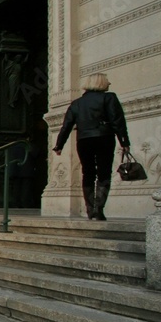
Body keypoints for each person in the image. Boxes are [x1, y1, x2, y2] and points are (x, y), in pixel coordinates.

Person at [53, 72, 130, 221]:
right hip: (104, 138)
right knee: (104, 173)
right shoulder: (109, 98)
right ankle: (98, 209)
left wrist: (59, 145)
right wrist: (124, 142)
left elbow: (66, 125)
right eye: (107, 81)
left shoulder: (77, 103)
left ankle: (90, 209)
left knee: (88, 173)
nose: (109, 83)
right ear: (100, 83)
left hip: (83, 140)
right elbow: (117, 121)